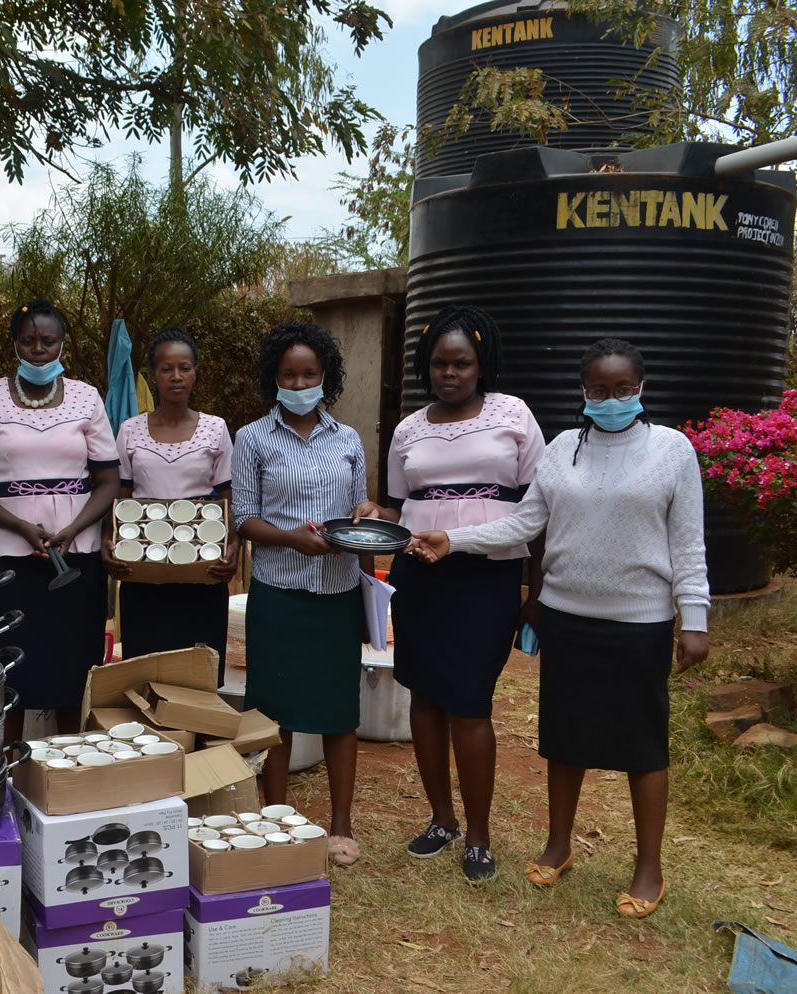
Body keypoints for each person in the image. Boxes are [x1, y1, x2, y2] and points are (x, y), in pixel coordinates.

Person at [410, 338, 709, 916]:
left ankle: (649, 869)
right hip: (566, 618)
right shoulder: (564, 448)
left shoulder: (672, 451)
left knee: (642, 746)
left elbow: (688, 543)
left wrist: (692, 618)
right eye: (599, 389)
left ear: (640, 389)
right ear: (584, 391)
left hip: (639, 620)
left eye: (623, 389)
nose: (611, 398)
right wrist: (455, 541)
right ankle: (557, 846)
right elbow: (524, 522)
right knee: (564, 739)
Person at [356, 306, 545, 882]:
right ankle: (443, 820)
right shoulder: (410, 428)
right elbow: (395, 505)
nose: (450, 373)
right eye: (439, 362)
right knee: (424, 698)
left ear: (482, 363)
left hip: (485, 579)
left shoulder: (513, 414)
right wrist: (374, 512)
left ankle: (481, 836)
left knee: (468, 702)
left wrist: (534, 591)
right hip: (420, 576)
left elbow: (540, 508)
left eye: (461, 362)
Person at [231, 322, 378, 866]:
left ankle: (340, 824)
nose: (299, 382)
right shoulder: (252, 438)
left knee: (340, 713)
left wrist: (366, 519)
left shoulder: (347, 440)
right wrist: (290, 539)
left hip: (338, 593)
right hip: (279, 593)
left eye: (309, 373)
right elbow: (243, 516)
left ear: (326, 378)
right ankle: (277, 818)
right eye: (289, 373)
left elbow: (361, 514)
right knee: (276, 714)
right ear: (274, 377)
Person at [0, 299, 121, 743]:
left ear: (62, 343)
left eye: (48, 340)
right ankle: (7, 779)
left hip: (74, 559)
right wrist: (21, 527)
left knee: (72, 672)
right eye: (29, 341)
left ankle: (67, 773)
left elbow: (107, 479)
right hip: (5, 559)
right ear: (15, 345)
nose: (39, 349)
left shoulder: (86, 397)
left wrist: (74, 528)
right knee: (6, 674)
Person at [102, 328, 238, 682]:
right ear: (153, 376)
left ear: (195, 373)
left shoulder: (216, 429)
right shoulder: (130, 431)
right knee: (145, 676)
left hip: (202, 570)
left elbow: (228, 499)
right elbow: (120, 498)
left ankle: (198, 737)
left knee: (200, 679)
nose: (176, 376)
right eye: (166, 368)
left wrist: (233, 547)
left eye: (184, 367)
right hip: (145, 572)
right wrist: (110, 540)